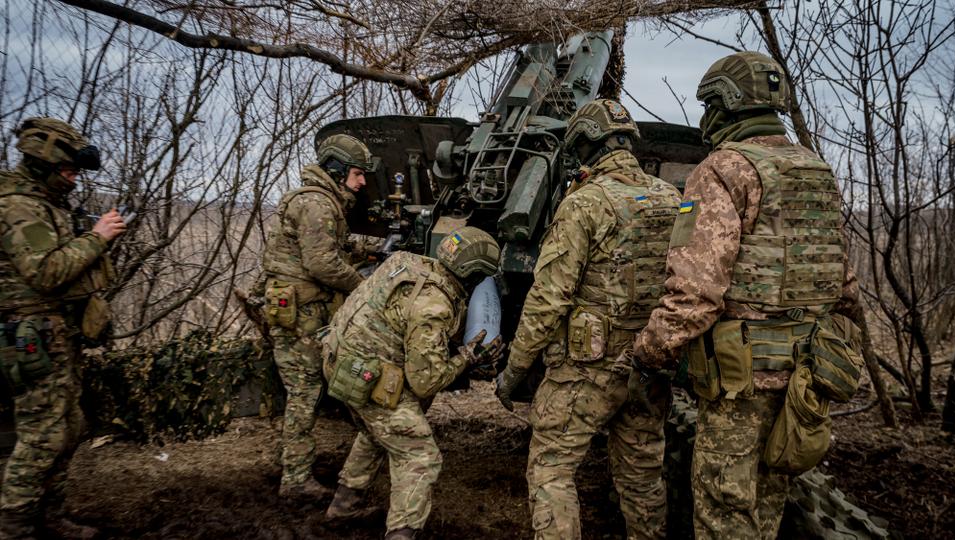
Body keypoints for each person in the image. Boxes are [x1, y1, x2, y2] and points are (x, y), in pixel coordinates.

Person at [626, 52, 860, 539]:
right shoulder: (814, 168)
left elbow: (696, 293)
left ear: (725, 105)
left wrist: (650, 352)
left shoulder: (724, 168)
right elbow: (842, 284)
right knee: (768, 505)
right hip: (805, 377)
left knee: (725, 513)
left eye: (708, 104)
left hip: (741, 385)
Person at [495, 99, 681, 540]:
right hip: (648, 365)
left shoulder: (585, 204)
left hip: (586, 371)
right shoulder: (672, 199)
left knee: (551, 469)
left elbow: (547, 300)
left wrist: (515, 368)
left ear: (584, 145)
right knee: (642, 475)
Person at [322, 227, 505, 540]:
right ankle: (401, 535)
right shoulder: (434, 306)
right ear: (474, 275)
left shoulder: (407, 261)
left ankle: (344, 506)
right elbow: (425, 382)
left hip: (340, 358)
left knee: (379, 430)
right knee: (419, 455)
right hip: (365, 377)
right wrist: (466, 358)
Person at [0, 117, 126, 538]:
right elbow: (45, 271)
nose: (74, 179)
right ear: (43, 164)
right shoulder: (18, 205)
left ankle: (49, 514)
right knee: (41, 436)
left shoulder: (46, 203)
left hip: (55, 332)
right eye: (68, 171)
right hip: (30, 335)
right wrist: (97, 236)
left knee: (69, 426)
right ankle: (16, 526)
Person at [261, 133, 375, 499]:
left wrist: (362, 250)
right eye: (357, 174)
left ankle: (296, 471)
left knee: (307, 389)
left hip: (298, 308)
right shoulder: (318, 204)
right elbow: (321, 263)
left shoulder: (315, 201)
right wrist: (362, 285)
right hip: (303, 314)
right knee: (304, 391)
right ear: (337, 170)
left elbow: (325, 246)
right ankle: (295, 479)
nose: (362, 182)